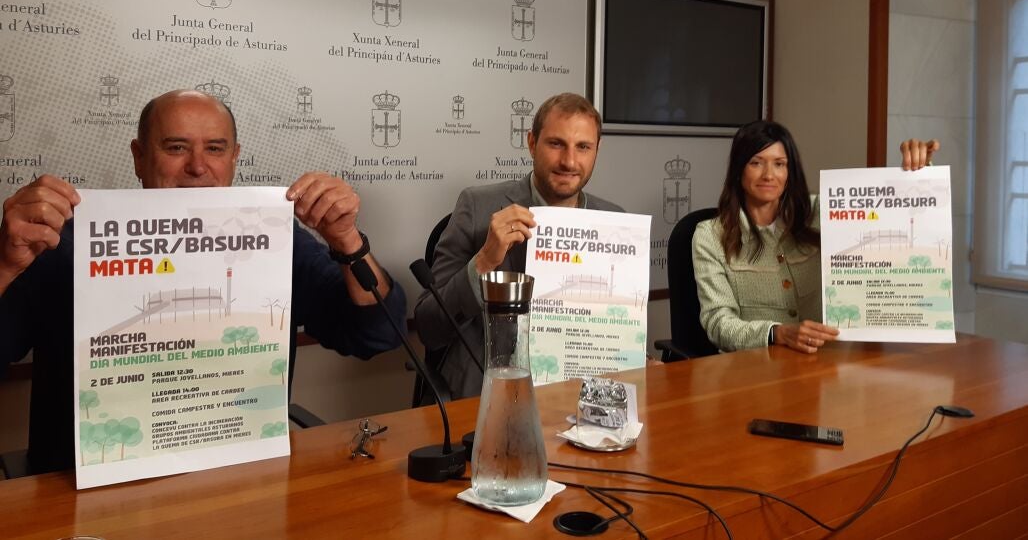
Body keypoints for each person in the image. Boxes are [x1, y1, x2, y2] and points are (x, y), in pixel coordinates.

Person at [0, 89, 406, 475]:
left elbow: (377, 333)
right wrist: (4, 266)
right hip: (84, 488)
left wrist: (346, 240)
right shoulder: (61, 244)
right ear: (139, 157)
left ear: (235, 157)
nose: (197, 166)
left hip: (237, 483)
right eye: (176, 147)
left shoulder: (273, 242)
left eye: (215, 148)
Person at [414, 93, 623, 400]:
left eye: (583, 147)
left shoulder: (615, 223)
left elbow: (620, 328)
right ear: (531, 142)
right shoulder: (476, 206)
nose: (569, 161)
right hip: (488, 392)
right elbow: (429, 327)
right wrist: (484, 261)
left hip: (581, 394)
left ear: (597, 150)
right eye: (556, 144)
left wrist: (640, 358)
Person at [692, 120, 937, 353]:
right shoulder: (710, 236)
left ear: (790, 171)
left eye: (779, 164)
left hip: (826, 359)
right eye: (756, 163)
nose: (769, 175)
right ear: (739, 170)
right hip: (755, 366)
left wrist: (918, 174)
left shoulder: (822, 212)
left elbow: (888, 219)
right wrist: (777, 333)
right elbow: (718, 322)